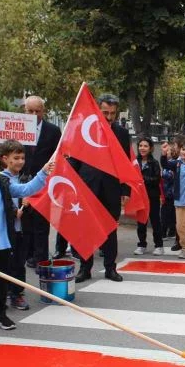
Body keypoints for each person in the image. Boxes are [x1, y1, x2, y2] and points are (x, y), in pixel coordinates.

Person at [0, 143, 52, 331]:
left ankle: (0, 314)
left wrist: (43, 173)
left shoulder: (3, 183)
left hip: (4, 242)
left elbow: (25, 190)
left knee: (1, 282)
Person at [73, 94, 129, 283]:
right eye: (105, 112)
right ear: (98, 111)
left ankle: (110, 268)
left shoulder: (121, 133)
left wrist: (125, 190)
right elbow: (75, 158)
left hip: (111, 187)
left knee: (110, 229)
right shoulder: (84, 129)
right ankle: (84, 268)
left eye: (112, 113)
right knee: (86, 228)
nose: (109, 117)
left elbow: (125, 163)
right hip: (88, 185)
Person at [21, 96, 62, 267]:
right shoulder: (18, 129)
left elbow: (58, 157)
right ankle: (28, 255)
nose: (34, 114)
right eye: (30, 111)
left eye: (37, 111)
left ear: (43, 111)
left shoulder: (52, 131)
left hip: (43, 183)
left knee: (41, 224)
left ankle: (41, 258)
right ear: (25, 111)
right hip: (22, 183)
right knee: (25, 222)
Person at [0, 141, 33, 311]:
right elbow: (0, 204)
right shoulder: (0, 178)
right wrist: (13, 212)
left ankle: (17, 294)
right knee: (6, 263)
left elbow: (31, 193)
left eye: (22, 158)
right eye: (16, 158)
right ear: (5, 159)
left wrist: (28, 203)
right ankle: (3, 292)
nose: (20, 161)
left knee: (20, 263)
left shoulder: (25, 177)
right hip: (6, 230)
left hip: (22, 229)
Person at [134, 138, 164, 256]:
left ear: (150, 148)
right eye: (140, 145)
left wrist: (142, 179)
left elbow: (157, 179)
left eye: (145, 146)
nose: (142, 148)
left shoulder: (154, 163)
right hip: (139, 197)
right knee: (141, 222)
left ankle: (159, 245)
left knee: (155, 221)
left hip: (152, 196)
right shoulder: (135, 161)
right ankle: (141, 245)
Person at [160, 139, 179, 247]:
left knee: (169, 214)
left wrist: (162, 175)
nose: (166, 153)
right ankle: (167, 231)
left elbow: (170, 176)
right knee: (166, 213)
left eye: (168, 151)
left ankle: (169, 231)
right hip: (166, 193)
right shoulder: (167, 164)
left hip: (171, 193)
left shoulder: (173, 163)